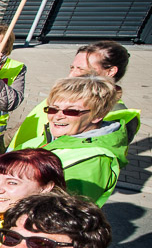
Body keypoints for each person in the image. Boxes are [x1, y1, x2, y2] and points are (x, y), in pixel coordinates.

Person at [7, 75, 133, 206]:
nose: (58, 116)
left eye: (71, 111)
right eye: (53, 109)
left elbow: (62, 212)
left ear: (98, 115)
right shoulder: (44, 140)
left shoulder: (93, 160)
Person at [10, 40, 132, 150]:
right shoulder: (65, 97)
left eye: (81, 70)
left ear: (110, 71)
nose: (71, 76)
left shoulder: (115, 115)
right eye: (72, 68)